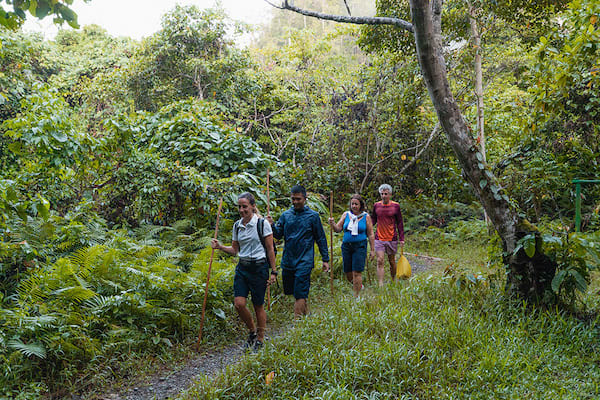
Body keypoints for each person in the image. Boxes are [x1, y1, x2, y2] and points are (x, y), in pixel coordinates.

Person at [211, 192, 277, 351]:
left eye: (245, 206)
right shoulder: (237, 225)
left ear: (253, 207)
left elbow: (270, 249)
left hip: (259, 267)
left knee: (258, 305)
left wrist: (274, 271)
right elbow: (235, 250)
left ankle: (260, 339)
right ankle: (252, 331)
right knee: (239, 304)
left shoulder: (262, 224)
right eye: (239, 207)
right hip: (243, 267)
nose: (241, 210)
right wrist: (220, 247)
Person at [266, 185, 329, 318]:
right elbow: (278, 235)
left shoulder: (313, 216)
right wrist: (271, 225)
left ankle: (297, 323)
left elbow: (320, 238)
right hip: (288, 259)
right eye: (293, 199)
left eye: (298, 199)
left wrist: (325, 259)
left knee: (300, 292)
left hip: (305, 260)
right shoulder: (285, 215)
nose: (295, 202)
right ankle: (307, 316)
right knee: (291, 291)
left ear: (305, 199)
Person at [328, 194, 375, 296]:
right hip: (346, 246)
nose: (354, 206)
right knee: (348, 272)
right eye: (352, 204)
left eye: (356, 204)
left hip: (360, 246)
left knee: (357, 272)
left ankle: (356, 296)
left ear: (360, 205)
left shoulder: (366, 217)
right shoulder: (346, 215)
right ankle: (359, 286)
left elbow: (370, 234)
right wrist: (332, 224)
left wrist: (372, 249)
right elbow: (338, 229)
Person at [371, 184, 405, 286]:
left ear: (390, 194)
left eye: (386, 194)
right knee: (380, 260)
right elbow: (373, 219)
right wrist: (367, 229)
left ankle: (393, 280)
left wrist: (401, 238)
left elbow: (399, 222)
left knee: (391, 261)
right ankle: (381, 284)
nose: (384, 196)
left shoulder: (395, 206)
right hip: (379, 237)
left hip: (392, 237)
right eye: (382, 194)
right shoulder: (376, 205)